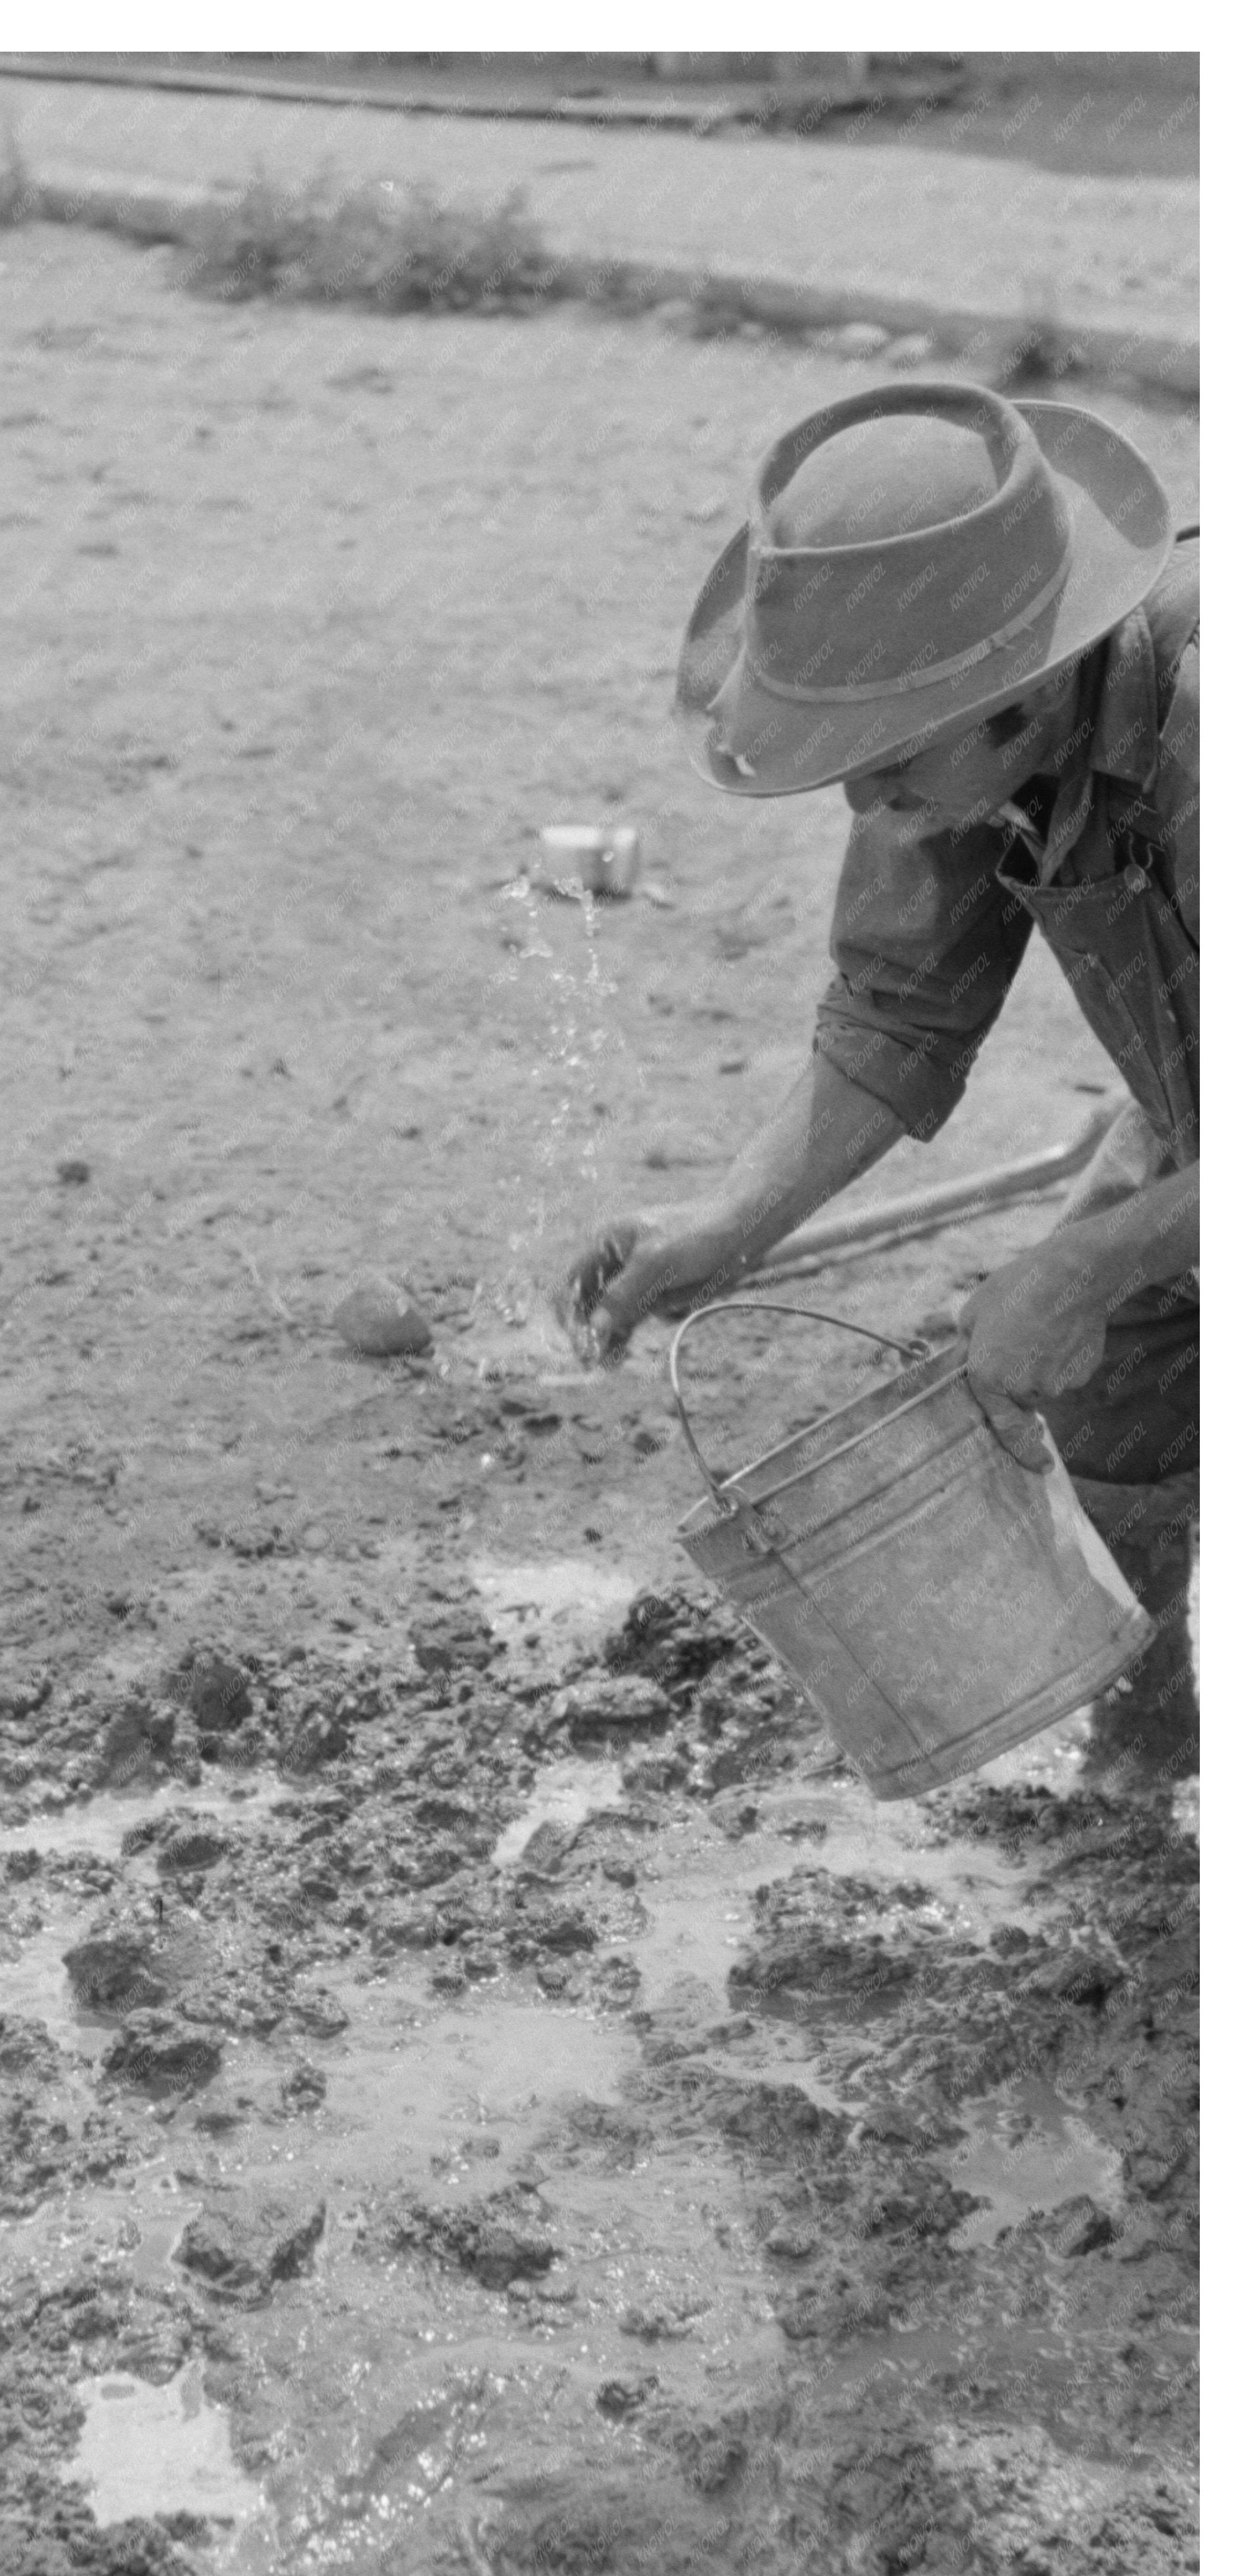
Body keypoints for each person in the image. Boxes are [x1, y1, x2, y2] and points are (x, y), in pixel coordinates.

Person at [563, 381, 1198, 1782]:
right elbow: (896, 1007)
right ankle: (1145, 1788)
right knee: (1114, 1398)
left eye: (887, 763)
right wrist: (727, 1224)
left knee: (1101, 1284)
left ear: (1025, 696)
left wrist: (1088, 1265)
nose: (863, 806)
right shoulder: (970, 749)